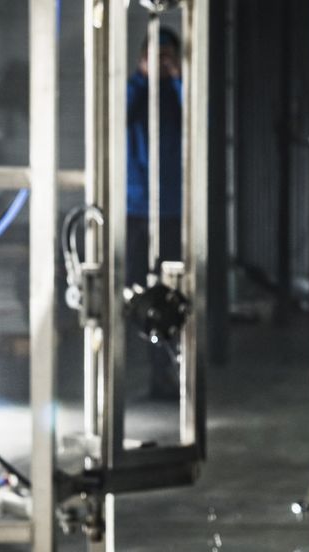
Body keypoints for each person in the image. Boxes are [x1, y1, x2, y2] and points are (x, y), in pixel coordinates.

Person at [128, 27, 184, 398]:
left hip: (172, 210)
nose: (161, 63)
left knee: (174, 294)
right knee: (135, 291)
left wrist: (178, 79)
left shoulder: (180, 93)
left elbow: (201, 121)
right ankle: (145, 370)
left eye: (167, 56)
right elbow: (114, 115)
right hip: (135, 209)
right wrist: (143, 78)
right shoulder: (133, 91)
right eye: (154, 55)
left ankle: (168, 373)